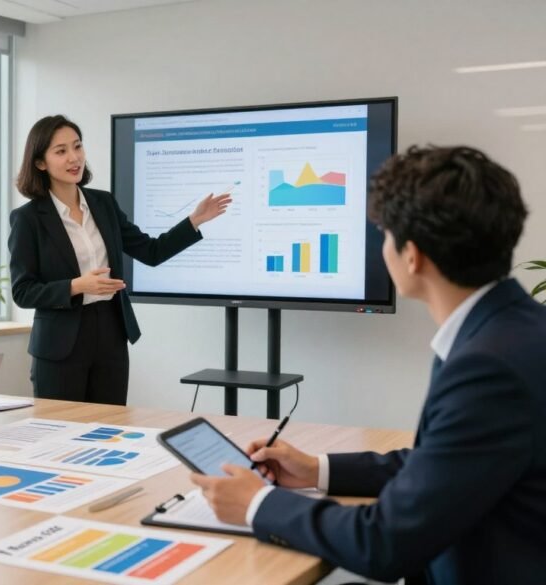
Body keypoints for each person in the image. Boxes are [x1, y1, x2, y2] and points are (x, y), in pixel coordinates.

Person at [192, 146, 546, 584]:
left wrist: (257, 504)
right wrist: (317, 469)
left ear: (412, 255)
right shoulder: (514, 330)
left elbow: (386, 543)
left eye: (383, 234)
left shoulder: (490, 367)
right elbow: (443, 466)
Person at [9, 114, 231, 405]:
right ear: (40, 162)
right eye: (61, 151)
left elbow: (151, 252)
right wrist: (77, 285)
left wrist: (194, 221)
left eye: (77, 147)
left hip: (110, 334)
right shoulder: (28, 219)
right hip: (60, 342)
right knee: (61, 434)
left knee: (110, 429)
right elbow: (23, 291)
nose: (74, 158)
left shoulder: (104, 203)